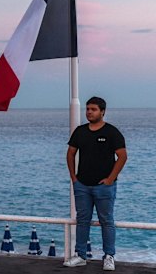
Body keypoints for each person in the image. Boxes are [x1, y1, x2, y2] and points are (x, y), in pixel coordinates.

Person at [63, 96, 127, 271]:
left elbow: (122, 156)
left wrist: (110, 179)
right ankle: (81, 255)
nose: (89, 112)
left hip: (104, 187)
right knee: (82, 220)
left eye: (93, 109)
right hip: (82, 185)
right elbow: (70, 153)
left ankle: (109, 256)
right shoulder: (80, 132)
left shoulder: (112, 132)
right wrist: (73, 177)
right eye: (88, 109)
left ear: (103, 111)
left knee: (106, 221)